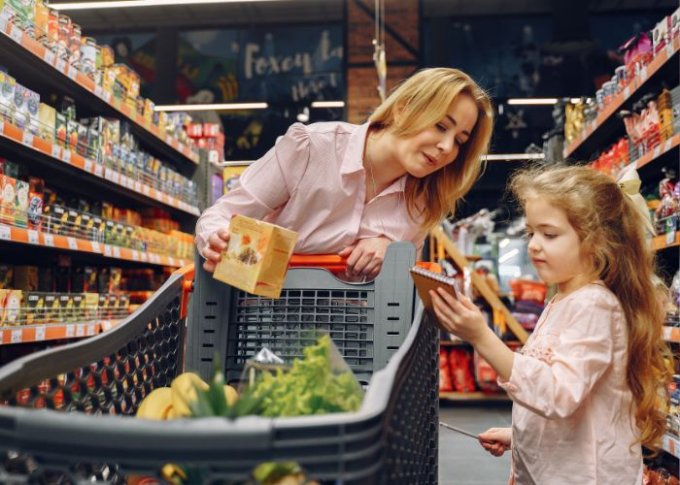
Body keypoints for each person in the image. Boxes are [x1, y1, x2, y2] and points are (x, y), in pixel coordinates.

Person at [430, 165, 671, 484]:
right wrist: (519, 435)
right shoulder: (563, 300)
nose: (533, 244)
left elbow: (558, 394)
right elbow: (572, 403)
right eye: (531, 233)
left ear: (596, 242)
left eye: (550, 234)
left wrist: (481, 336)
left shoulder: (594, 306)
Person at [195, 67, 494, 279]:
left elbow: (400, 295)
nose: (446, 147)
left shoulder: (423, 201)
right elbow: (219, 216)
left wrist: (392, 253)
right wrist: (219, 242)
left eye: (459, 141)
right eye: (441, 126)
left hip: (357, 344)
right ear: (403, 109)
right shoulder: (312, 148)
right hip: (263, 326)